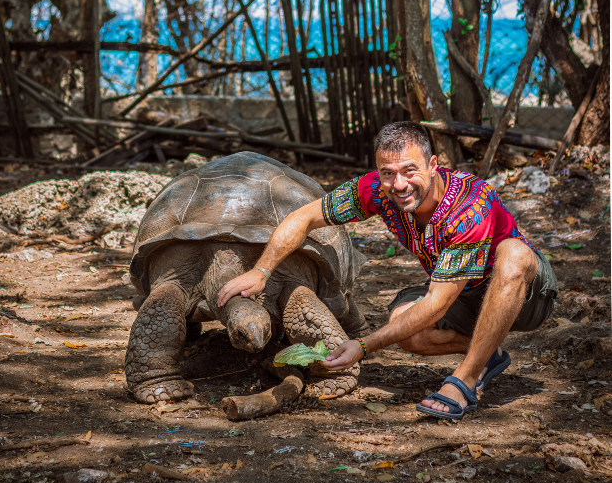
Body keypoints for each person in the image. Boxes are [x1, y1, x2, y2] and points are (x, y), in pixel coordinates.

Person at [218, 122, 558, 420]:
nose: (399, 184)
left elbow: (438, 304)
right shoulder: (376, 191)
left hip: (524, 296)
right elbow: (304, 217)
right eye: (388, 173)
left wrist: (363, 346)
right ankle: (488, 354)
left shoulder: (468, 207)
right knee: (404, 328)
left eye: (410, 170)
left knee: (513, 254)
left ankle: (466, 380)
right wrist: (261, 270)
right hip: (464, 292)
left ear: (434, 165)